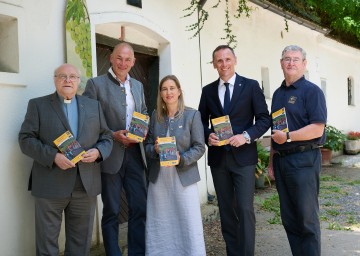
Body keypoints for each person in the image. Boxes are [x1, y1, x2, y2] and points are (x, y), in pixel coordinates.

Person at [18, 63, 113, 256]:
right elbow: (25, 139)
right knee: (47, 245)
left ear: (79, 81)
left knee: (80, 245)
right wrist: (53, 157)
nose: (68, 80)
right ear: (55, 80)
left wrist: (98, 152)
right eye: (62, 76)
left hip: (85, 186)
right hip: (50, 184)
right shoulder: (38, 105)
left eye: (72, 77)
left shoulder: (93, 106)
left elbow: (107, 137)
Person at [198, 45, 271, 256]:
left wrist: (246, 136)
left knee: (245, 209)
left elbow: (264, 119)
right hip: (219, 159)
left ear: (235, 60)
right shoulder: (208, 91)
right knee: (226, 210)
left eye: (227, 59)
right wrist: (207, 135)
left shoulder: (250, 86)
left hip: (244, 158)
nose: (224, 64)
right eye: (219, 61)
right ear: (214, 64)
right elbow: (201, 122)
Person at [83, 42, 148, 256]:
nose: (123, 63)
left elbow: (144, 112)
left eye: (128, 59)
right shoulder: (95, 84)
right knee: (111, 209)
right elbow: (89, 120)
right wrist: (112, 134)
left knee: (139, 207)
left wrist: (143, 130)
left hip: (135, 155)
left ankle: (136, 252)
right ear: (111, 58)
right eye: (119, 58)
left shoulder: (137, 85)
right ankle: (113, 253)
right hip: (110, 154)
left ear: (133, 62)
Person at [268, 45, 327, 256]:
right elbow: (277, 128)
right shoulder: (277, 94)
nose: (291, 63)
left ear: (304, 64)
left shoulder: (312, 92)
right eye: (286, 59)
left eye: (295, 59)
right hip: (282, 161)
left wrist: (290, 136)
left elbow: (318, 128)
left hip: (304, 160)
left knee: (306, 219)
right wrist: (272, 160)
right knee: (290, 219)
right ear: (281, 63)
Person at [145, 75, 206, 256]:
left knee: (187, 218)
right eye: (165, 89)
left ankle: (190, 252)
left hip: (183, 177)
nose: (168, 92)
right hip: (159, 180)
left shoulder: (192, 115)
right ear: (161, 94)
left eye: (172, 88)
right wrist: (155, 150)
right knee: (161, 219)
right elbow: (146, 146)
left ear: (179, 91)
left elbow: (199, 147)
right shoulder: (155, 116)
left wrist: (182, 158)